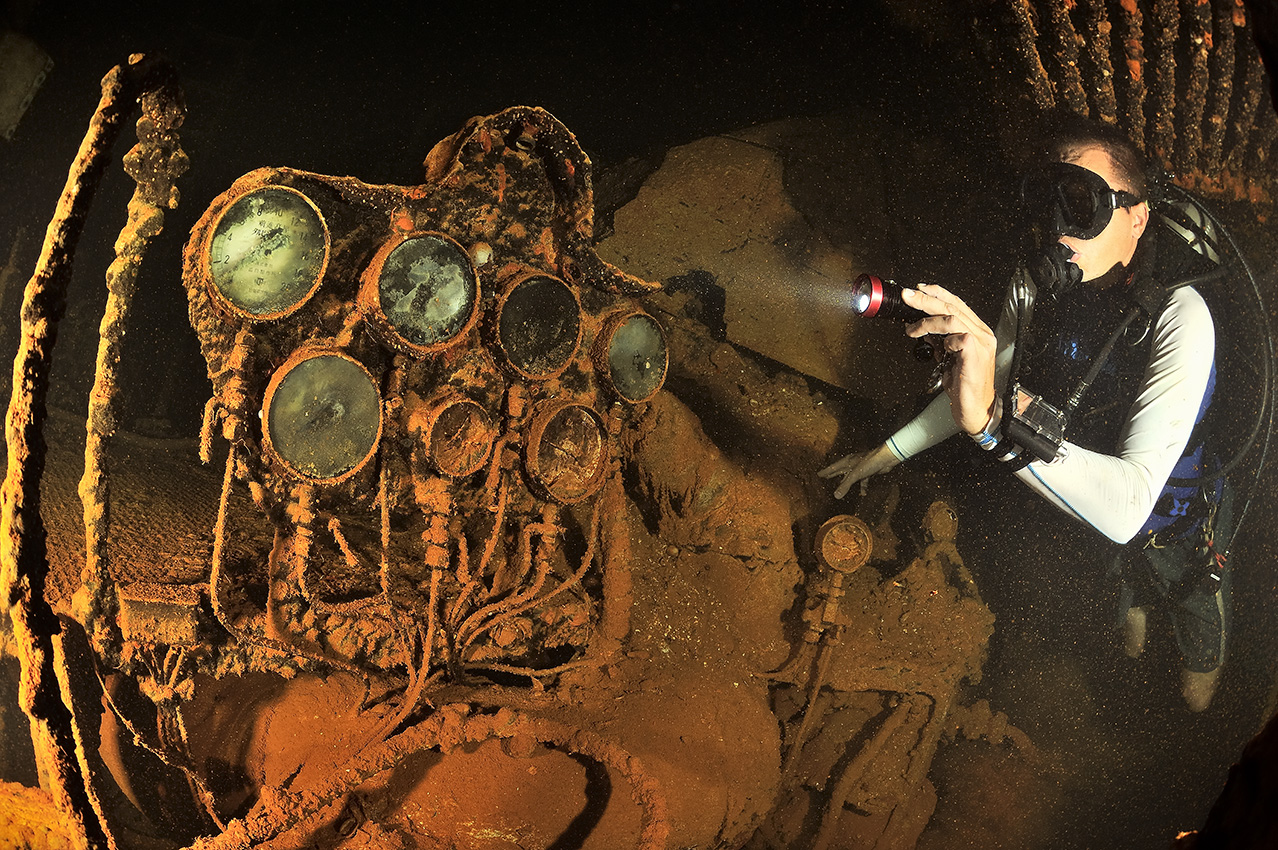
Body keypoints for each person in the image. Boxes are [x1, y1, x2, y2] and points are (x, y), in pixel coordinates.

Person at [819, 118, 1230, 712]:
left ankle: (1196, 702)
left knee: (1195, 690)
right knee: (1131, 634)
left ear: (1136, 218)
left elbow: (1126, 508)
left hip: (1177, 527)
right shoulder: (1034, 285)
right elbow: (985, 387)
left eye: (1082, 204)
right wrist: (887, 452)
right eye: (1049, 200)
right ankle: (1135, 638)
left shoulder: (1181, 316)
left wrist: (991, 425)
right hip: (1085, 498)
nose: (1060, 228)